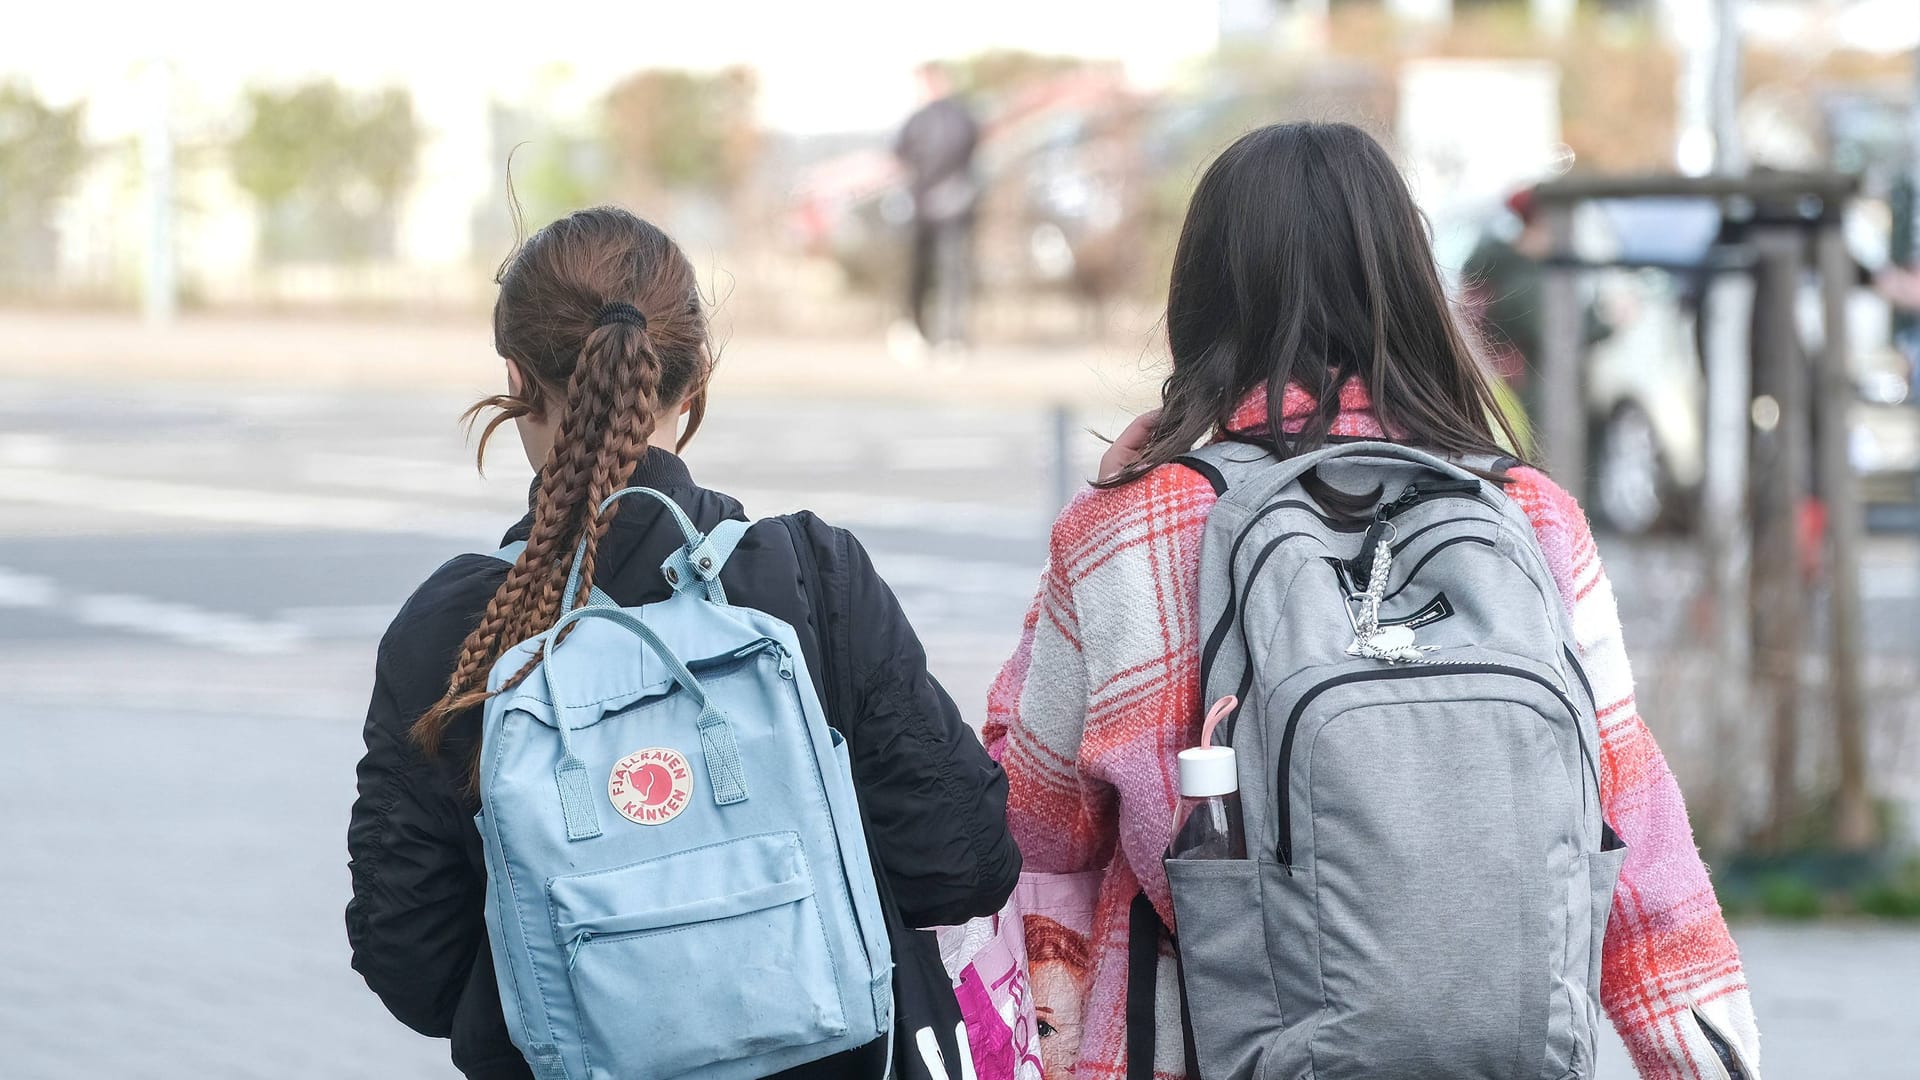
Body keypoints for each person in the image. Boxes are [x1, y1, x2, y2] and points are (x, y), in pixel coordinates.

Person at [984, 123, 1759, 1080]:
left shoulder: (1137, 525)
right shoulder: (1529, 515)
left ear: (1202, 293)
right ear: (1411, 284)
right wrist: (1706, 1056)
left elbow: (1035, 823)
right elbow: (1632, 828)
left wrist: (1095, 517)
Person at [346, 206, 1020, 1080]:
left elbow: (413, 965)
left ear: (516, 378)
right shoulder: (810, 576)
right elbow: (963, 865)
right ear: (694, 377)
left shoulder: (453, 630)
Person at [893, 61, 980, 353]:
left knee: (950, 275)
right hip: (928, 208)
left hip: (949, 207)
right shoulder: (924, 120)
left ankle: (950, 338)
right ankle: (921, 333)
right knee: (926, 274)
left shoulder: (958, 117)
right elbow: (900, 157)